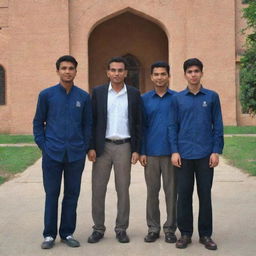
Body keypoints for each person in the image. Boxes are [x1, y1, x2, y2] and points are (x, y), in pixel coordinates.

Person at [33, 55, 92, 249]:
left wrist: (83, 146)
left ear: (76, 71)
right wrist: (44, 145)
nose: (67, 71)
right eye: (64, 68)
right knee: (52, 194)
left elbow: (87, 125)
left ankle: (67, 233)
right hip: (53, 153)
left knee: (72, 194)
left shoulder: (83, 97)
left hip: (75, 154)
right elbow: (38, 122)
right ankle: (49, 234)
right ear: (57, 70)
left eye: (71, 68)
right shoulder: (46, 95)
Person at [169, 58, 224, 250]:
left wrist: (216, 151)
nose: (193, 74)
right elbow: (172, 126)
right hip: (183, 155)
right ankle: (185, 234)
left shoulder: (211, 97)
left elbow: (217, 125)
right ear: (185, 74)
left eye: (196, 71)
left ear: (202, 73)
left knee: (205, 195)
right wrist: (174, 151)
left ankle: (206, 234)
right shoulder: (177, 98)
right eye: (190, 71)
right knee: (183, 195)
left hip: (204, 154)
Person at [87, 56, 142, 244]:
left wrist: (136, 149)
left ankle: (121, 228)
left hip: (124, 147)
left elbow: (137, 123)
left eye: (120, 70)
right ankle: (98, 228)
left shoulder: (134, 94)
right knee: (98, 189)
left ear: (126, 73)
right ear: (107, 72)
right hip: (102, 147)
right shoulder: (99, 92)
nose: (117, 73)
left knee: (123, 189)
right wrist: (91, 146)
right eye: (113, 70)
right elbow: (92, 121)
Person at [140, 62, 177, 243]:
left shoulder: (177, 98)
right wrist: (142, 151)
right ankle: (153, 228)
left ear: (168, 76)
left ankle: (170, 229)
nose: (160, 77)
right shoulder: (144, 99)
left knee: (171, 193)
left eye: (163, 74)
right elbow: (142, 127)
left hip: (172, 154)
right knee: (152, 193)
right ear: (151, 77)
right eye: (156, 74)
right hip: (152, 153)